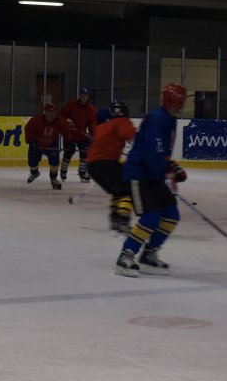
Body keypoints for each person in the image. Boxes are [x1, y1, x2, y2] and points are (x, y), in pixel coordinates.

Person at [114, 83, 188, 278]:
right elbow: (153, 152)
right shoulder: (158, 118)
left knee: (171, 215)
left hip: (154, 175)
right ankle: (126, 255)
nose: (182, 104)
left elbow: (161, 153)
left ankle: (148, 255)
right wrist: (167, 169)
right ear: (174, 100)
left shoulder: (169, 120)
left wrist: (173, 167)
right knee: (151, 217)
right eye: (180, 100)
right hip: (140, 174)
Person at [87, 101, 136, 234]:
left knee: (118, 191)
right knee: (128, 189)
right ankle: (123, 221)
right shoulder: (122, 122)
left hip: (92, 166)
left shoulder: (102, 126)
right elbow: (133, 136)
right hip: (107, 163)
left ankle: (114, 219)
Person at [24, 103, 71, 190]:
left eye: (53, 112)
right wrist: (31, 140)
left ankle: (53, 179)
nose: (51, 115)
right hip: (37, 144)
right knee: (32, 162)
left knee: (54, 162)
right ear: (45, 112)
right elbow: (28, 129)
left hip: (51, 144)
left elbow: (66, 131)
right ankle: (34, 173)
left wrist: (69, 142)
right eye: (49, 112)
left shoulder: (60, 121)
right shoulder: (36, 120)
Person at [59, 87, 97, 182]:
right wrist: (67, 121)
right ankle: (63, 171)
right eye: (82, 95)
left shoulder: (91, 109)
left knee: (85, 153)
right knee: (68, 153)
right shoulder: (71, 104)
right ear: (79, 96)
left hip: (82, 134)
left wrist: (93, 134)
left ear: (88, 97)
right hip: (70, 134)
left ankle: (82, 173)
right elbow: (62, 115)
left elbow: (92, 123)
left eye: (85, 96)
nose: (83, 97)